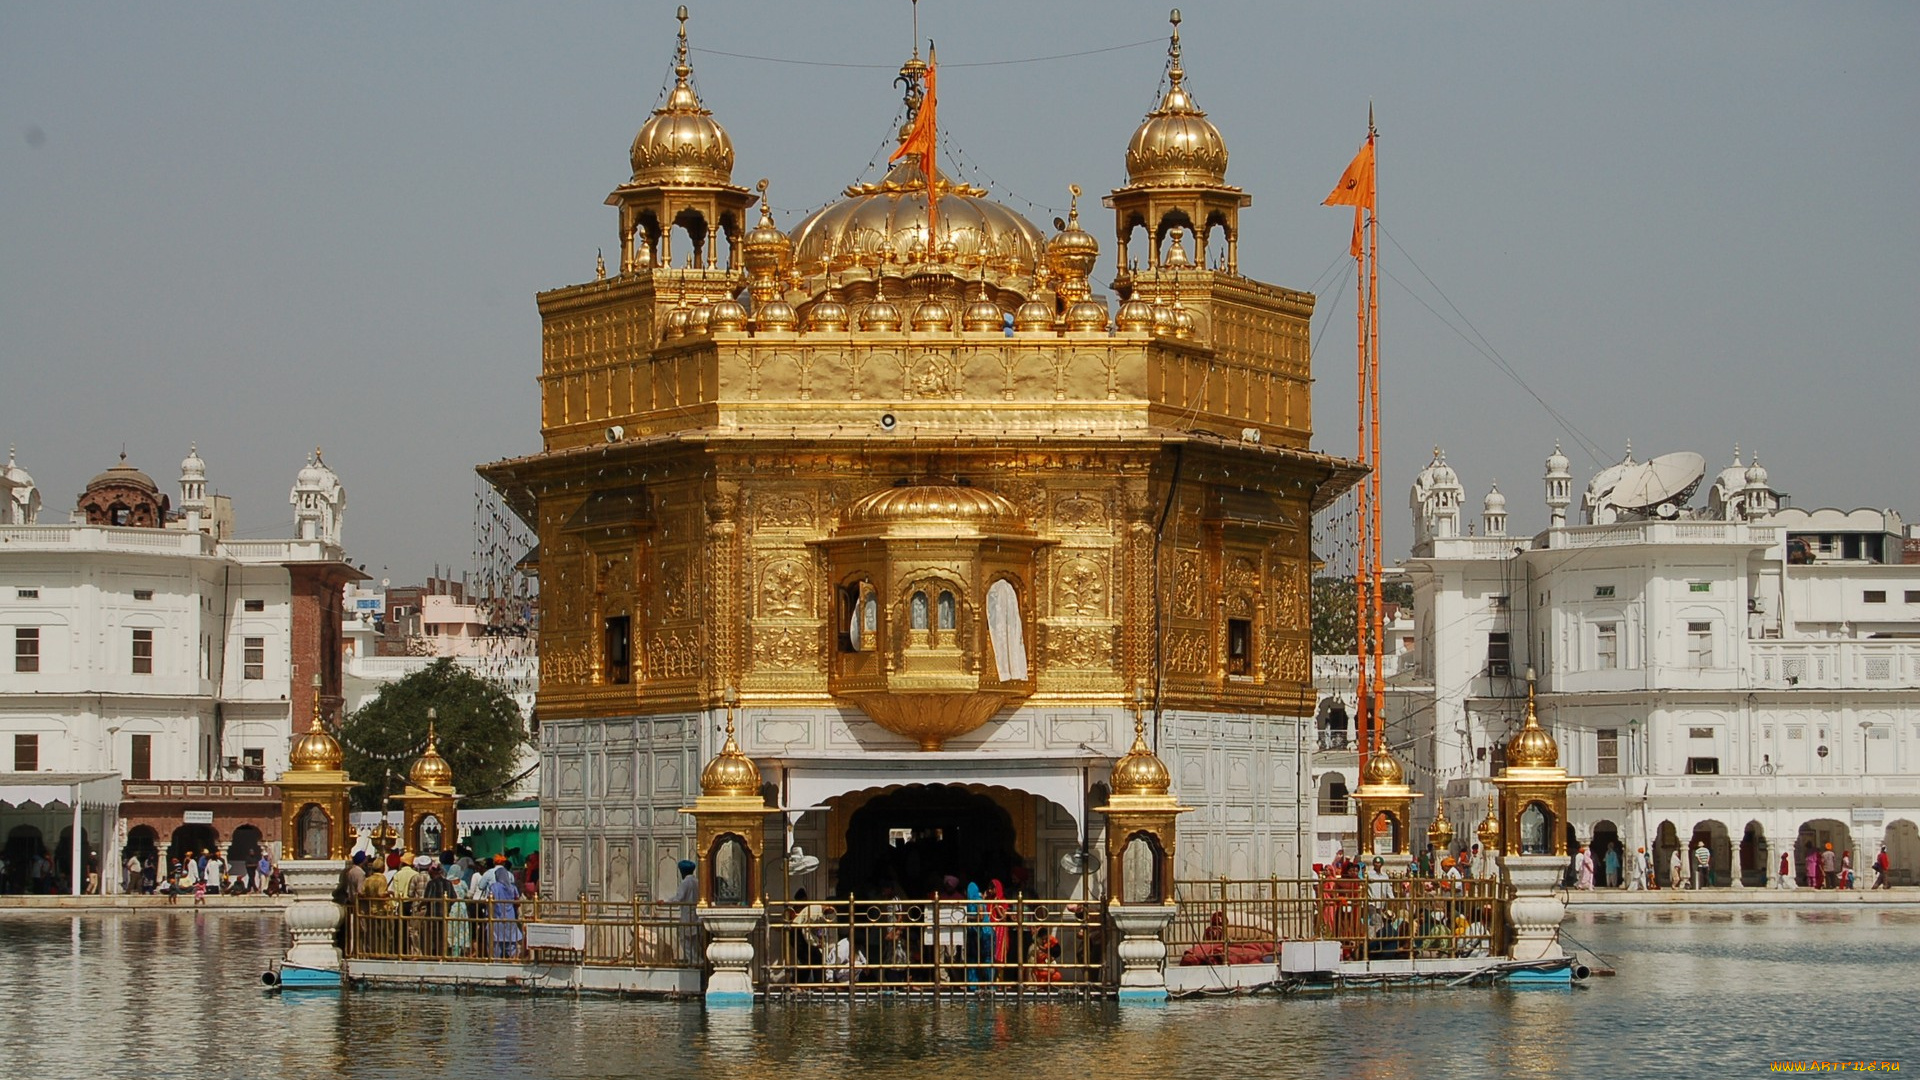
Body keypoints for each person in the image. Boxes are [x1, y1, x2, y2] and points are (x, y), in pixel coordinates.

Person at [489, 857, 524, 959]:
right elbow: (517, 901)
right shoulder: (512, 887)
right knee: (511, 943)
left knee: (497, 945)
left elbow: (490, 899)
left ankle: (496, 963)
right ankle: (514, 961)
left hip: (497, 917)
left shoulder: (494, 887)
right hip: (510, 917)